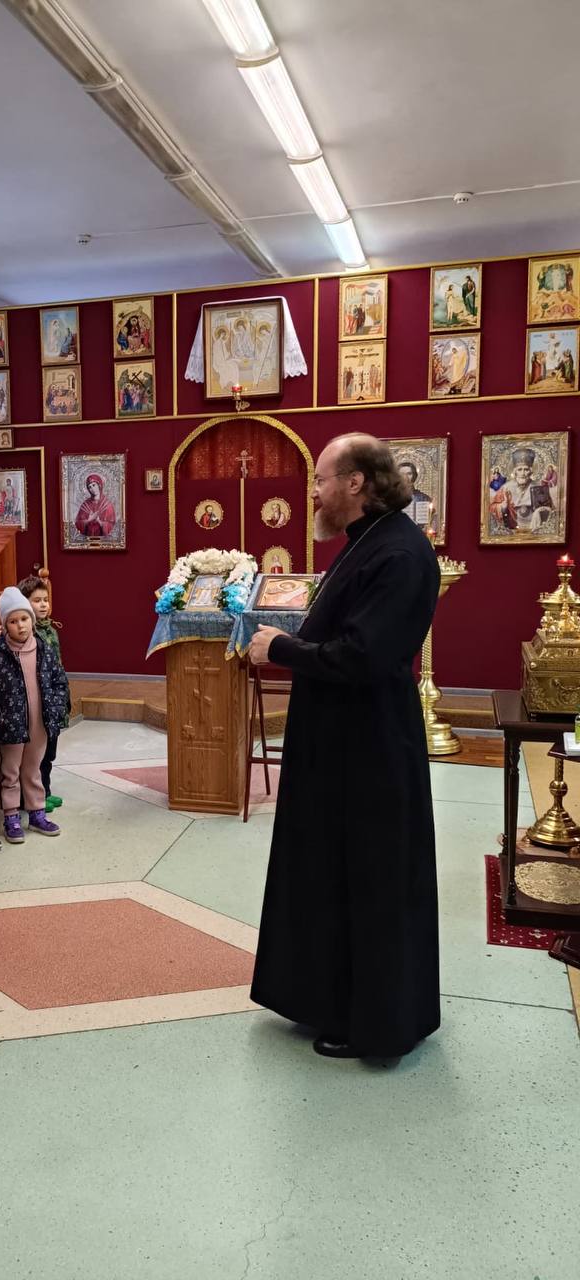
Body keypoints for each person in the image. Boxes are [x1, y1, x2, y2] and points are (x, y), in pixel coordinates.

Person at [247, 432, 440, 1059]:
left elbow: (362, 656)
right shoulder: (367, 541)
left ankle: (374, 1023)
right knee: (334, 870)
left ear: (356, 482)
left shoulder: (399, 553)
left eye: (321, 479)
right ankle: (331, 1000)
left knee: (371, 878)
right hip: (340, 744)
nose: (314, 492)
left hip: (370, 748)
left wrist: (280, 648)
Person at [0, 587, 68, 845]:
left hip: (39, 724)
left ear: (31, 619)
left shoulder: (43, 649)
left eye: (24, 618)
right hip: (10, 728)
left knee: (33, 769)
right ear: (5, 625)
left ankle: (37, 812)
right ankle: (11, 816)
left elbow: (59, 681)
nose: (20, 625)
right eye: (13, 621)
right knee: (10, 772)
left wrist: (56, 709)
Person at [19, 575, 69, 813]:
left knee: (49, 752)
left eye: (45, 600)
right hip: (38, 700)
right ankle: (31, 796)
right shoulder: (26, 633)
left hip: (54, 699)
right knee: (35, 754)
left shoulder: (50, 629)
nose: (43, 605)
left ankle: (45, 791)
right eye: (37, 600)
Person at [489, 447, 555, 534]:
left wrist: (542, 510)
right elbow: (492, 507)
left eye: (526, 469)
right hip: (511, 529)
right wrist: (502, 507)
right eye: (519, 469)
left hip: (534, 529)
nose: (523, 473)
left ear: (531, 472)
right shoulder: (506, 487)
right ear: (515, 472)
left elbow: (551, 510)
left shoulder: (539, 487)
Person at [397, 461, 436, 534]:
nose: (405, 477)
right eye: (402, 474)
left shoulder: (424, 498)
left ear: (414, 476)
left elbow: (432, 521)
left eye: (409, 474)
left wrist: (428, 528)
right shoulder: (392, 499)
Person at [74, 474, 117, 539]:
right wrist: (89, 520)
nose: (92, 489)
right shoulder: (85, 504)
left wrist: (100, 522)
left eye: (94, 485)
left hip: (103, 540)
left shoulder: (107, 504)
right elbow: (78, 524)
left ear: (99, 485)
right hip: (87, 539)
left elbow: (112, 525)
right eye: (89, 487)